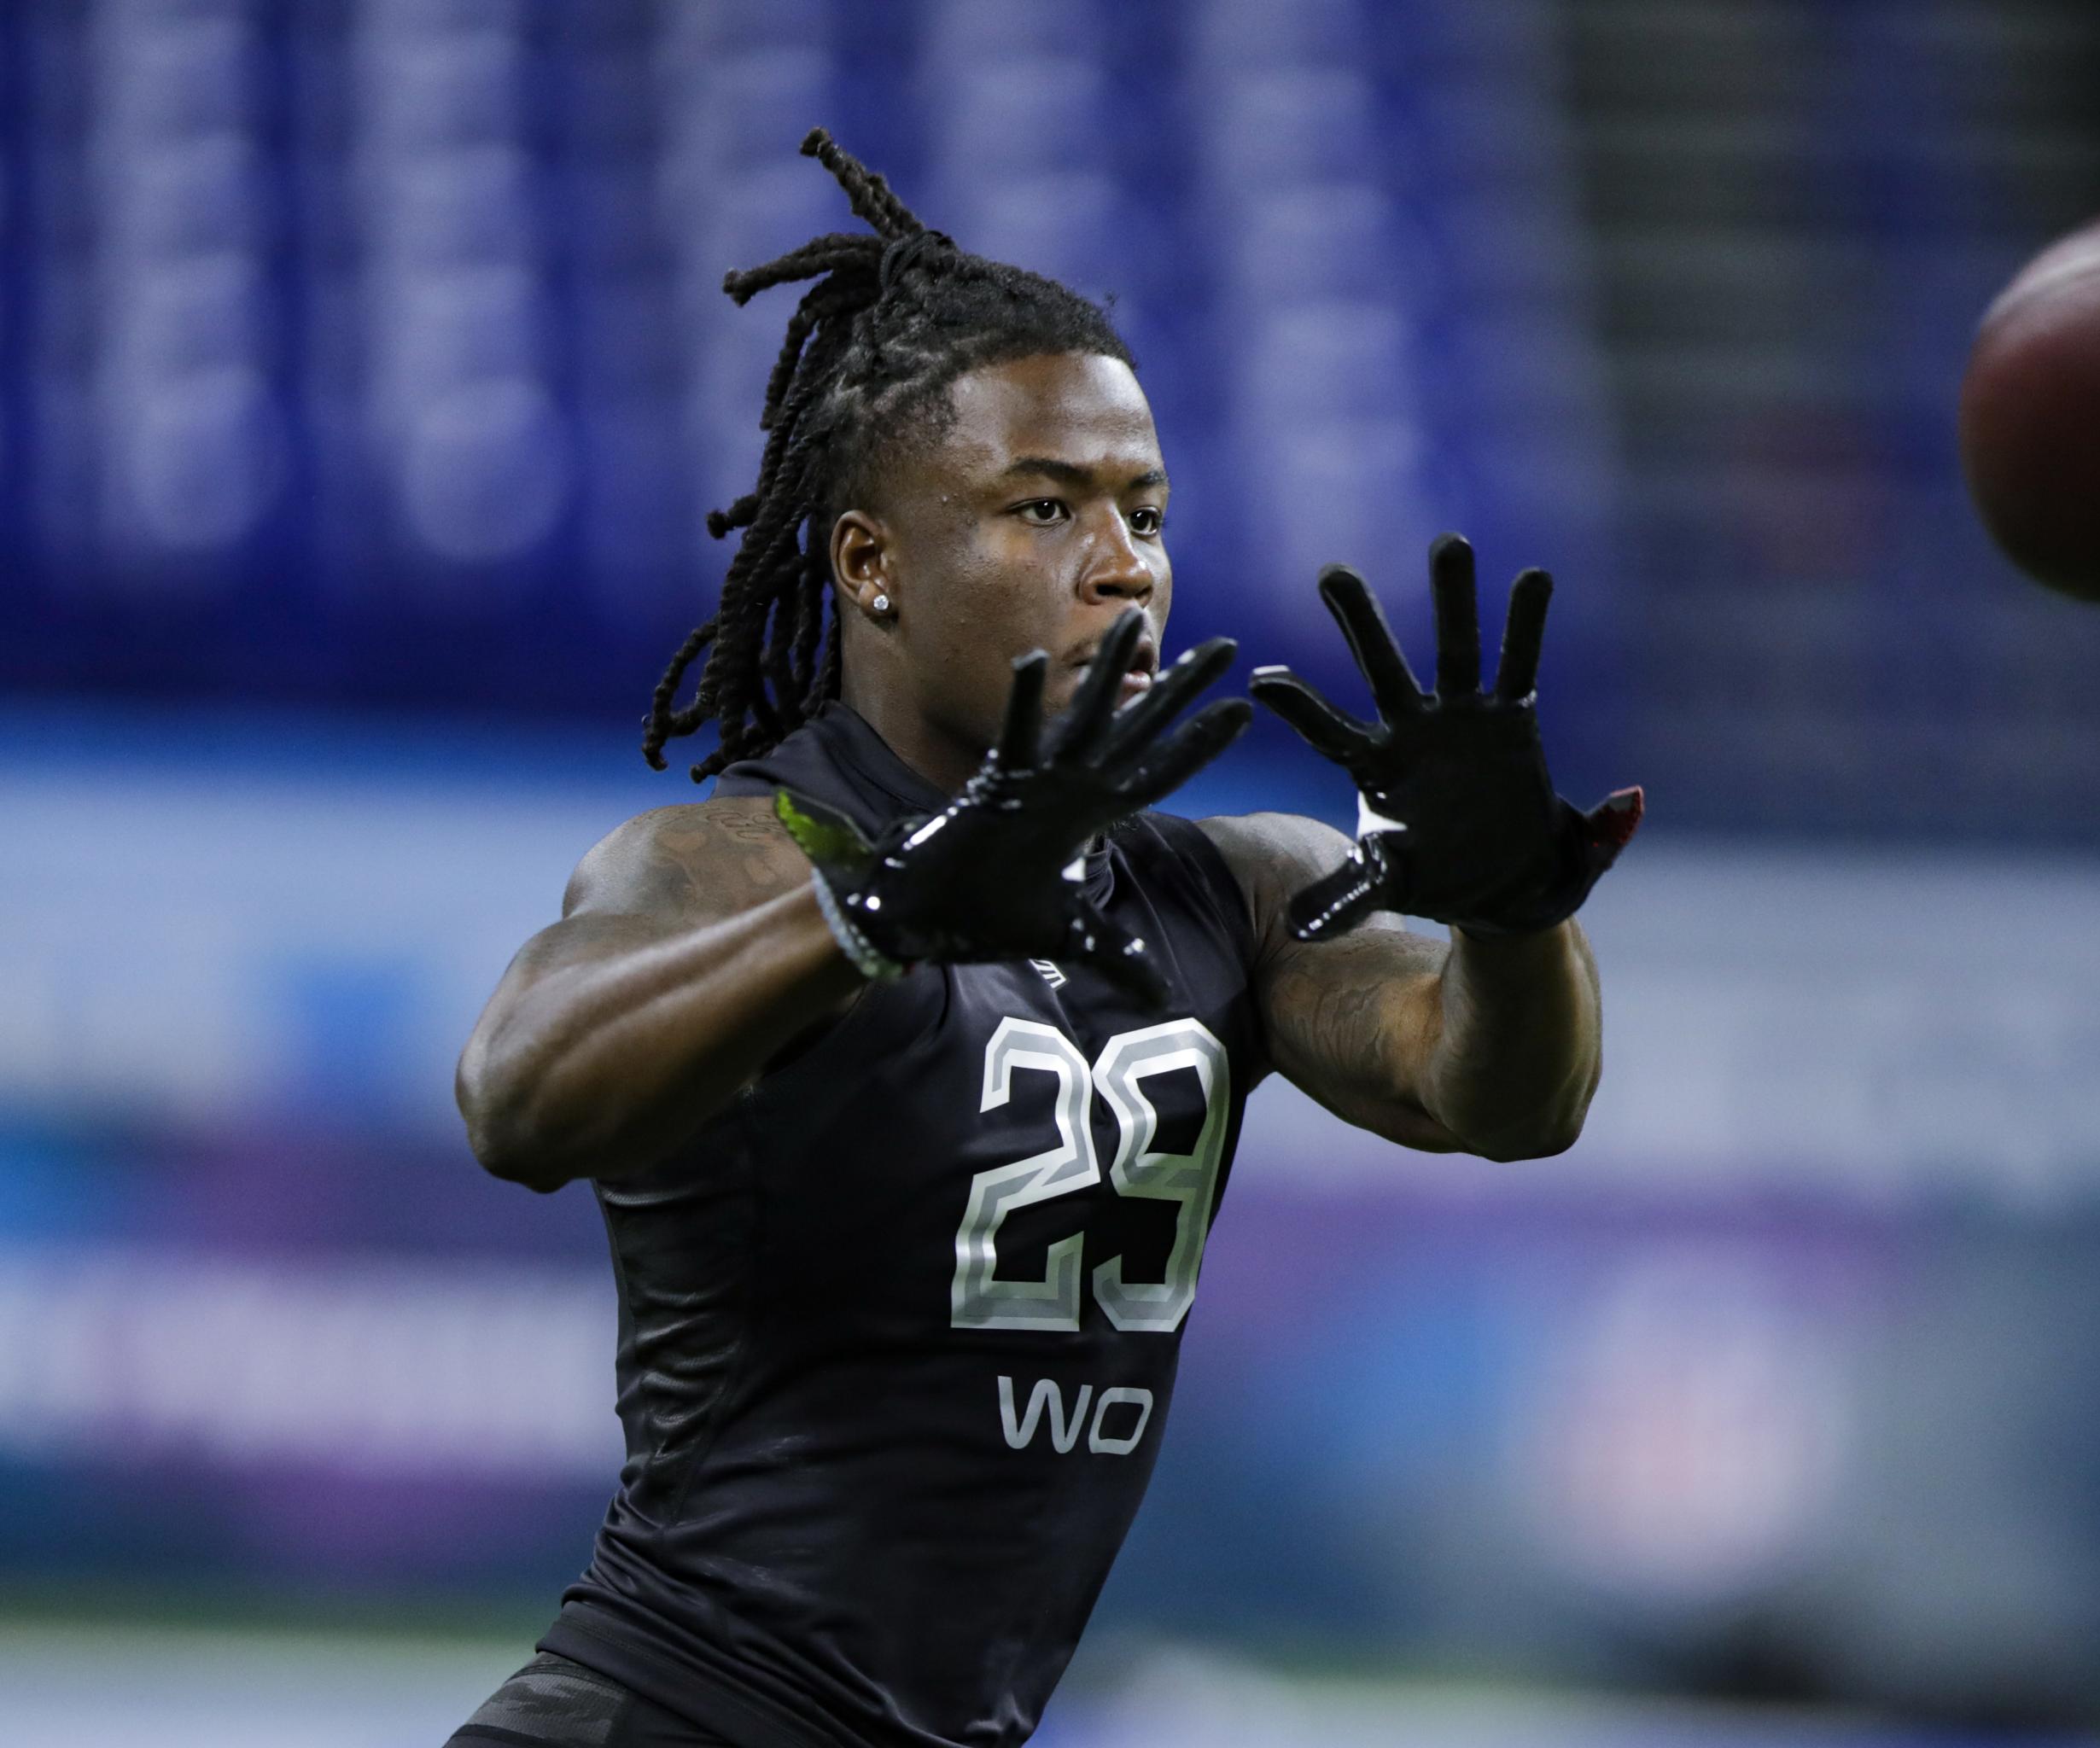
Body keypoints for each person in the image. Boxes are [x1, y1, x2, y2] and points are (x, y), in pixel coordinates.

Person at [446, 130, 1640, 1748]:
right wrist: (878, 915)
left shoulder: (1236, 886)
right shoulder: (746, 855)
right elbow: (519, 1102)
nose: (1123, 565)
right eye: (1044, 505)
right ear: (871, 564)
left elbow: (1502, 1101)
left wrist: (1513, 917)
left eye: (1145, 509)